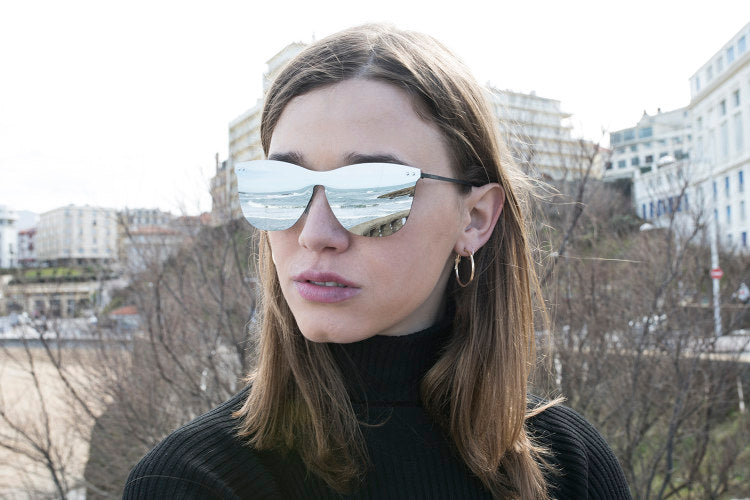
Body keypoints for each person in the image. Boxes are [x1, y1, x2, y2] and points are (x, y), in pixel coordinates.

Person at [124, 24, 631, 499]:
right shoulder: (190, 481)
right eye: (283, 188)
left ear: (475, 218)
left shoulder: (568, 464)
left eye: (371, 192)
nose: (316, 234)